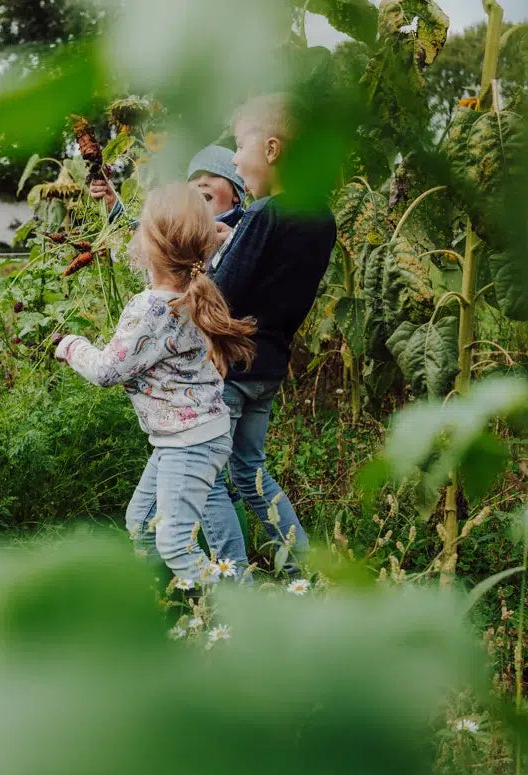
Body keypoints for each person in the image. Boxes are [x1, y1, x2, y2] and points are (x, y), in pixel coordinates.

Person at [54, 184, 256, 586]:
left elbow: (107, 372)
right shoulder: (197, 284)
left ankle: (237, 620)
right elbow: (175, 256)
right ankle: (163, 604)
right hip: (191, 434)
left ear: (153, 246)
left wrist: (71, 346)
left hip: (187, 439)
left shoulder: (150, 308)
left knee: (174, 542)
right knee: (142, 521)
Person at [205, 93, 337, 574]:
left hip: (231, 367)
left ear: (272, 149)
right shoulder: (321, 218)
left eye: (240, 145)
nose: (235, 158)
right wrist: (233, 238)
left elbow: (221, 293)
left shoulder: (265, 214)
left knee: (209, 479)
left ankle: (236, 585)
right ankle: (306, 571)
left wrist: (214, 257)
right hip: (269, 369)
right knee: (251, 471)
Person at [90, 145, 246, 233]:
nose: (202, 182)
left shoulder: (248, 228)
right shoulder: (179, 230)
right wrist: (114, 205)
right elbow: (143, 235)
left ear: (236, 194)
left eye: (214, 175)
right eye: (195, 177)